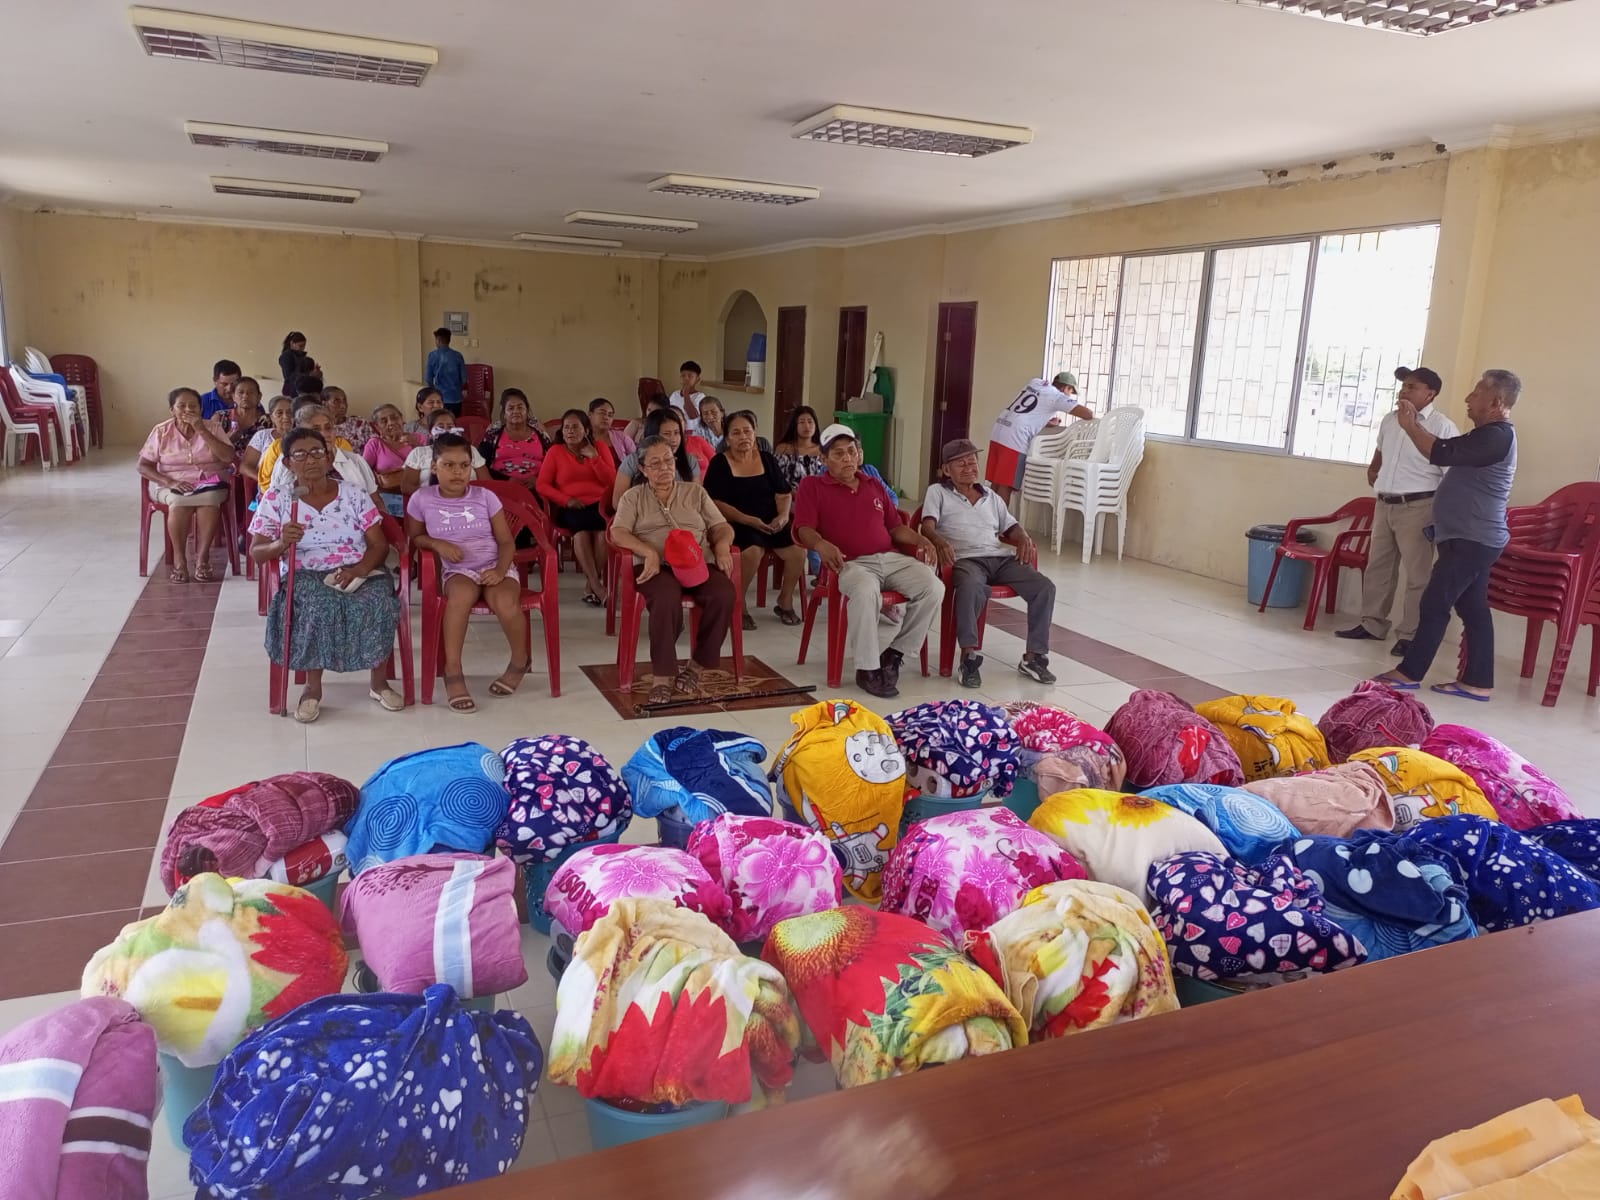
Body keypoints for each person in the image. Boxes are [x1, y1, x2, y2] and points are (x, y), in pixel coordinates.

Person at [1373, 370, 1521, 702]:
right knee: (1473, 608)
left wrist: (1411, 424)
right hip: (1469, 537)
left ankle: (1410, 672)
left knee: (1435, 601)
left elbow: (1440, 452)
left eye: (1476, 393)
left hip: (1473, 538)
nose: (1468, 399)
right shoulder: (1485, 435)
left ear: (1496, 402)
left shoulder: (1497, 436)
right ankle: (1477, 682)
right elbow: (1446, 450)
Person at [248, 427, 403, 724]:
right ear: (287, 463)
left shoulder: (353, 493)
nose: (311, 460)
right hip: (306, 571)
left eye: (317, 452)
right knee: (319, 605)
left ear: (329, 457)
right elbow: (257, 552)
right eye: (301, 454)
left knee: (380, 601)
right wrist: (281, 543)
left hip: (357, 566)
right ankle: (312, 688)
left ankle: (379, 683)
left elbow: (379, 545)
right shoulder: (278, 498)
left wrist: (359, 569)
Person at [793, 424, 944, 699]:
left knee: (934, 587)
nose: (847, 458)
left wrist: (920, 539)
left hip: (890, 558)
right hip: (849, 564)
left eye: (851, 451)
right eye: (838, 454)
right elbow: (803, 528)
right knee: (865, 591)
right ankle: (867, 668)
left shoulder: (873, 484)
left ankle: (895, 654)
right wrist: (821, 544)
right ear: (824, 459)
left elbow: (895, 527)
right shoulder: (812, 486)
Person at [1336, 367, 1460, 656]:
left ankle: (1410, 634)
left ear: (1430, 394)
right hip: (1385, 503)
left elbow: (1451, 474)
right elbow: (1381, 450)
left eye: (1412, 387)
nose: (1404, 390)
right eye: (1404, 385)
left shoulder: (1442, 427)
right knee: (1378, 567)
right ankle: (1372, 624)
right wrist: (1374, 468)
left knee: (1417, 575)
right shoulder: (1390, 420)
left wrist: (1441, 513)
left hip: (1419, 506)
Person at [610, 435, 737, 706]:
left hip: (695, 563)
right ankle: (663, 675)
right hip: (655, 566)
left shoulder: (695, 492)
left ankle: (697, 665)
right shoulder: (633, 497)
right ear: (643, 469)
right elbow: (618, 532)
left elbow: (721, 526)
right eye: (655, 463)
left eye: (668, 460)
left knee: (723, 593)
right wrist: (648, 552)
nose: (664, 468)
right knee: (666, 597)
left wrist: (722, 546)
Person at [921, 438, 1058, 688]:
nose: (969, 467)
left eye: (972, 462)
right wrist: (939, 541)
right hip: (965, 560)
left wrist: (1024, 537)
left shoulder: (991, 495)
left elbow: (1011, 526)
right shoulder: (937, 492)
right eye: (961, 464)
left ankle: (1034, 657)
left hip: (999, 558)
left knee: (1044, 587)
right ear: (947, 470)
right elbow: (927, 526)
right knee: (972, 588)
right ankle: (969, 657)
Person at [406, 433, 529, 712]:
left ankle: (520, 660)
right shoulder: (422, 498)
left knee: (504, 601)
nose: (457, 472)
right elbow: (415, 537)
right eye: (448, 465)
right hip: (458, 569)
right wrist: (437, 544)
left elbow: (506, 542)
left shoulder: (485, 496)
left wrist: (499, 570)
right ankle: (453, 671)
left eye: (464, 465)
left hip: (494, 564)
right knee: (459, 597)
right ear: (434, 466)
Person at [705, 410, 806, 629]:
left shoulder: (767, 459)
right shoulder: (719, 463)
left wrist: (782, 516)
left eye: (747, 431)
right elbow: (715, 502)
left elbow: (783, 493)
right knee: (753, 552)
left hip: (770, 521)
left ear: (755, 433)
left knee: (798, 551)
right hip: (736, 523)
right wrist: (747, 519)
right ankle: (738, 603)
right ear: (727, 438)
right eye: (736, 433)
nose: (743, 437)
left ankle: (785, 599)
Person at [138, 386, 238, 583]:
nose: (188, 410)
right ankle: (180, 560)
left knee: (209, 500)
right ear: (172, 410)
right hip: (171, 484)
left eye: (193, 406)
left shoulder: (213, 427)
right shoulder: (161, 431)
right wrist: (170, 482)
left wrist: (202, 430)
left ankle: (203, 559)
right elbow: (143, 465)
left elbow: (228, 457)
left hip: (210, 482)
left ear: (200, 409)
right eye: (181, 406)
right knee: (178, 502)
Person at [536, 408, 617, 606]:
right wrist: (566, 499)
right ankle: (597, 585)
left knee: (602, 532)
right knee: (580, 531)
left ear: (586, 430)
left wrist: (595, 458)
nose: (570, 431)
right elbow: (542, 485)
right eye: (566, 428)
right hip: (571, 505)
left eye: (575, 427)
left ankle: (591, 584)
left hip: (599, 503)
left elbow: (613, 481)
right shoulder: (556, 452)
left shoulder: (599, 447)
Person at [985, 371, 1095, 505]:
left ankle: (987, 516)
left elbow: (1029, 409)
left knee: (996, 482)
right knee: (1005, 485)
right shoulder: (1058, 397)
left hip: (1000, 429)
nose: (1069, 395)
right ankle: (1000, 518)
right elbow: (1088, 414)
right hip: (1015, 438)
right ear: (1066, 387)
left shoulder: (1036, 383)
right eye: (1070, 391)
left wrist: (1045, 422)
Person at [267, 403, 381, 506]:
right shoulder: (287, 462)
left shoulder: (355, 461)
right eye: (315, 430)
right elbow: (274, 503)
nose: (325, 434)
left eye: (328, 428)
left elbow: (376, 501)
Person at [612, 407, 702, 507]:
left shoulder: (690, 461)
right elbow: (618, 503)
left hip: (682, 512)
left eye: (676, 433)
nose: (673, 439)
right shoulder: (632, 461)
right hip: (641, 513)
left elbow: (696, 499)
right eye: (666, 434)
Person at [363, 404, 423, 517]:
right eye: (384, 421)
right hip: (389, 498)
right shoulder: (374, 444)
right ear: (377, 427)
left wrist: (416, 446)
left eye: (394, 417)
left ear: (402, 419)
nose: (391, 423)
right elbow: (364, 473)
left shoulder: (419, 438)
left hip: (419, 494)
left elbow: (432, 465)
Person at [477, 388, 545, 487]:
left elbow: (554, 463)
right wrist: (507, 480)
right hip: (502, 486)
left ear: (527, 411)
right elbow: (480, 465)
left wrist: (539, 479)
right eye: (511, 408)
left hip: (537, 487)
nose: (516, 411)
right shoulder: (493, 434)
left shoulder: (540, 433)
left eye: (520, 407)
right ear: (504, 414)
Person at [402, 410, 488, 488]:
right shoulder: (418, 453)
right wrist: (431, 496)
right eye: (440, 427)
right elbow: (407, 487)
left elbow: (487, 483)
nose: (446, 431)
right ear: (430, 433)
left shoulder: (470, 450)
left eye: (450, 427)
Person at [244, 395, 294, 482]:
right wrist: (266, 482)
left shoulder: (302, 437)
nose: (285, 416)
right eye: (279, 413)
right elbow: (245, 467)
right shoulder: (262, 436)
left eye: (289, 412)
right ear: (272, 417)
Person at [774, 405, 825, 491]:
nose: (807, 426)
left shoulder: (823, 449)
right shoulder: (783, 448)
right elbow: (776, 479)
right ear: (794, 425)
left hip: (817, 496)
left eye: (810, 422)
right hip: (789, 496)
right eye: (801, 422)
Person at [426, 328, 468, 415]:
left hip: (439, 399)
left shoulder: (433, 355)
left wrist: (433, 390)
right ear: (449, 340)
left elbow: (428, 378)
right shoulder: (458, 355)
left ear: (438, 340)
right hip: (455, 398)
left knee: (439, 421)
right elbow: (464, 378)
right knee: (454, 421)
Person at [323, 385, 373, 451]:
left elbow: (375, 447)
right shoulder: (321, 427)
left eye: (344, 400)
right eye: (336, 401)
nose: (343, 406)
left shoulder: (360, 423)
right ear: (324, 404)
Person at [588, 396, 635, 466]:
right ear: (590, 414)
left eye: (610, 415)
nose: (606, 417)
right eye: (602, 413)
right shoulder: (582, 438)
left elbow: (636, 461)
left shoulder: (622, 437)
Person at [226, 376, 268, 451]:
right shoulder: (220, 417)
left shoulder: (268, 421)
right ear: (233, 396)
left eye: (251, 392)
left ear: (259, 396)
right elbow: (209, 447)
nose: (245, 396)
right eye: (241, 392)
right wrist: (227, 440)